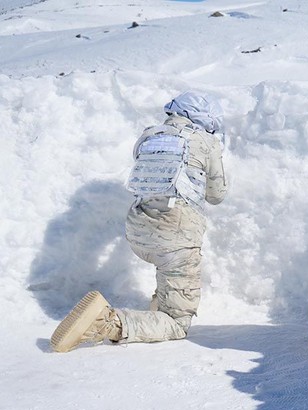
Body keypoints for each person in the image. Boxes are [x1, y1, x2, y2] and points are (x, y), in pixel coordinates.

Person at [50, 91, 228, 352]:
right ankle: (107, 322)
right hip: (175, 238)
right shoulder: (205, 141)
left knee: (168, 269)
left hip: (137, 231)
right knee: (177, 322)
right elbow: (217, 195)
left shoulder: (148, 136)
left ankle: (158, 307)